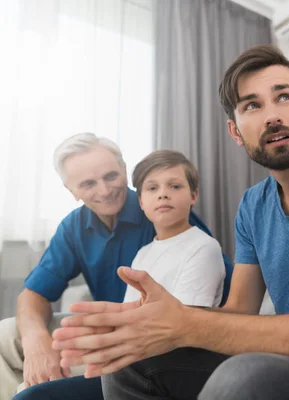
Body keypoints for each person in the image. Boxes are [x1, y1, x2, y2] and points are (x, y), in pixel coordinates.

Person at [52, 45, 289, 400]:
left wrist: (188, 323)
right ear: (236, 132)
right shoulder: (253, 206)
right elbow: (239, 312)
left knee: (246, 376)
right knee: (131, 362)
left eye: (283, 97)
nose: (272, 115)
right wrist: (155, 323)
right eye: (252, 106)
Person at [0, 133, 232, 400]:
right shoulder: (75, 226)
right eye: (88, 183)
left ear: (124, 170)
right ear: (71, 190)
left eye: (110, 176)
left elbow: (216, 298)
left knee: (31, 391)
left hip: (151, 345)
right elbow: (33, 294)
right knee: (8, 333)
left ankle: (31, 390)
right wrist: (36, 343)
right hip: (113, 328)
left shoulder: (164, 213)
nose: (104, 190)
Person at [124, 149, 225, 308]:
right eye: (152, 188)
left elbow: (184, 323)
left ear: (193, 196)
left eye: (175, 186)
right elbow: (129, 312)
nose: (163, 194)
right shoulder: (142, 254)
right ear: (141, 202)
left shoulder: (203, 247)